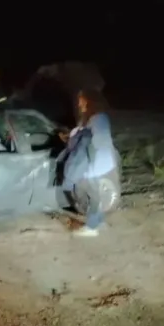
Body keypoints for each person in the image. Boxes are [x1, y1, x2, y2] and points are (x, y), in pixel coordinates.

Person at [59, 88, 117, 236]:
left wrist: (78, 137)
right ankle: (98, 222)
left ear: (91, 101)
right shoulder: (96, 118)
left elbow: (94, 141)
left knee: (91, 194)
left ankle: (92, 228)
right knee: (95, 193)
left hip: (96, 162)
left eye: (82, 101)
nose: (80, 104)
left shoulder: (98, 119)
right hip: (98, 161)